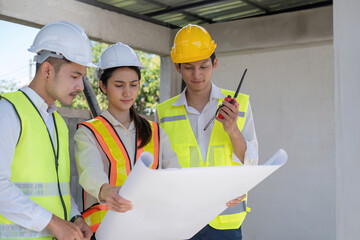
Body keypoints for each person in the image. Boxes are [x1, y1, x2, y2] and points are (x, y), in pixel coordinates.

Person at [156, 24, 259, 240]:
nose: (197, 75)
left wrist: (233, 131)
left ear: (215, 63)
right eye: (188, 68)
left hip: (225, 222)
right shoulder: (163, 113)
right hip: (182, 222)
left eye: (204, 66)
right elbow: (160, 169)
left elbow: (251, 162)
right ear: (177, 67)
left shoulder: (239, 104)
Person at [0, 21, 95, 240]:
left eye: (82, 77)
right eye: (74, 76)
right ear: (47, 70)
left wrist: (74, 218)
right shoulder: (8, 111)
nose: (81, 86)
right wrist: (52, 223)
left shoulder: (58, 122)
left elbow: (58, 191)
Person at [74, 42, 180, 233]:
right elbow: (90, 174)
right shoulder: (88, 132)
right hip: (105, 232)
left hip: (150, 231)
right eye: (119, 85)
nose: (127, 92)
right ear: (103, 86)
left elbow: (175, 177)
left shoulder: (156, 132)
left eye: (133, 84)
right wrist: (108, 192)